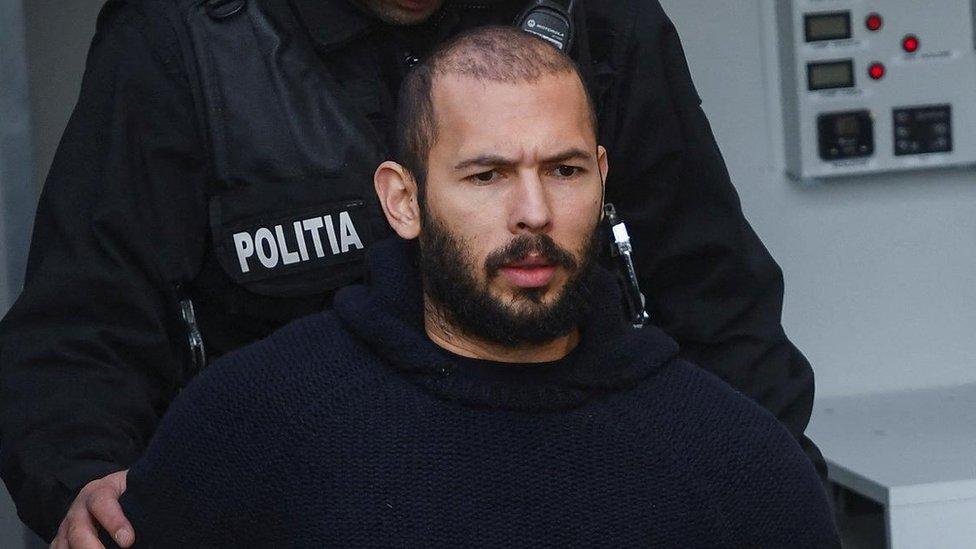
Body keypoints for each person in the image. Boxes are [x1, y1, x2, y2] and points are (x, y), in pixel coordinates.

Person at [0, 0, 824, 546]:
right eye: (487, 176)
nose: (529, 209)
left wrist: (757, 483)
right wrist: (84, 481)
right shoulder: (185, 39)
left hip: (586, 475)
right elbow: (83, 320)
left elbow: (717, 294)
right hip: (298, 502)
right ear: (399, 197)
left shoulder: (598, 21)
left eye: (563, 173)